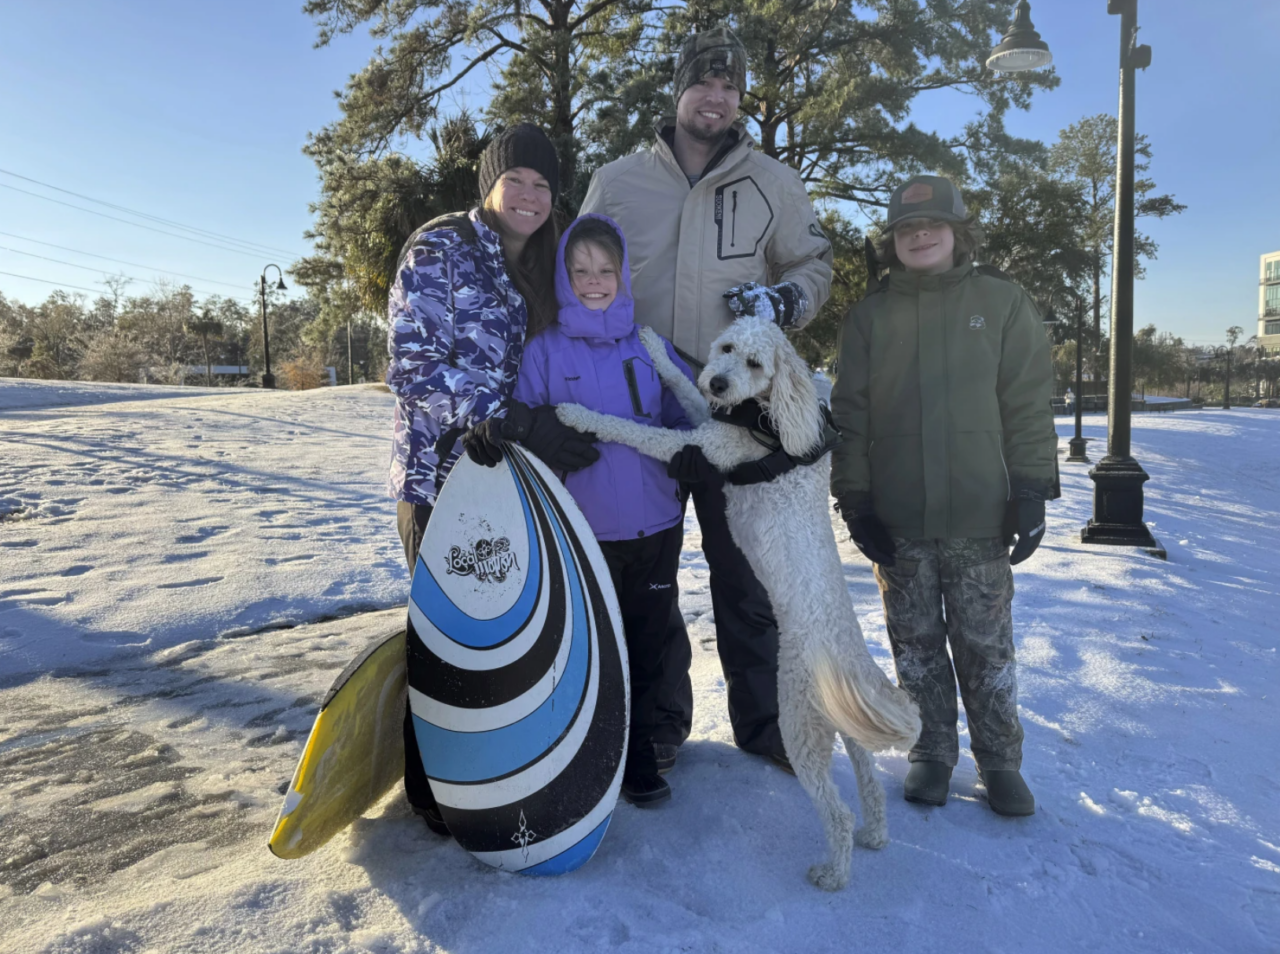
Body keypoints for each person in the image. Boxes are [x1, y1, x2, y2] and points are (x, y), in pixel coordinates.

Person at [580, 25, 833, 773]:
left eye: (730, 88)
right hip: (641, 402)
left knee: (747, 572)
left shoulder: (774, 182)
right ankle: (656, 725)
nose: (716, 97)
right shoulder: (619, 179)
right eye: (704, 83)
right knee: (644, 574)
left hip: (738, 411)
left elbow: (813, 262)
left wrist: (785, 300)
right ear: (679, 90)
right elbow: (581, 268)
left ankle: (768, 725)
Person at [386, 123, 599, 835]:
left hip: (508, 481)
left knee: (503, 637)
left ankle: (495, 781)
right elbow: (410, 367)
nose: (532, 196)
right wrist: (503, 416)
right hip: (440, 479)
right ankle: (433, 796)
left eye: (544, 184)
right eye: (518, 181)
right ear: (490, 185)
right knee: (449, 643)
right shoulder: (440, 246)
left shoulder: (545, 257)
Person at [828, 174, 1058, 817]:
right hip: (899, 518)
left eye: (932, 226)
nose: (920, 236)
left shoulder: (1001, 301)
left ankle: (1001, 761)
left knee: (986, 645)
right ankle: (930, 752)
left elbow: (1027, 402)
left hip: (980, 514)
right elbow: (851, 413)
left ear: (959, 231)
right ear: (892, 242)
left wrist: (1033, 488)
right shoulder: (870, 316)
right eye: (905, 229)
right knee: (916, 643)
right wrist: (856, 499)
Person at [508, 213, 697, 807]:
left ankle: (641, 752)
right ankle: (587, 753)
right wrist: (537, 436)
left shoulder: (649, 346)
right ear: (565, 276)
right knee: (588, 646)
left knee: (647, 642)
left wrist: (695, 447)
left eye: (605, 270)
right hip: (580, 532)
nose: (594, 281)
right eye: (581, 270)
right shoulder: (543, 351)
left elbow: (689, 408)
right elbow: (523, 427)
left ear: (623, 276)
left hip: (655, 525)